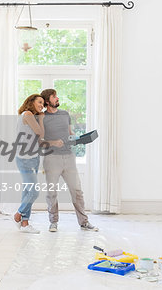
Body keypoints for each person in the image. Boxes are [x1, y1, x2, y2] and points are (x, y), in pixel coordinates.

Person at [40, 88, 98, 232]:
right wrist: (53, 142)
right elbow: (39, 140)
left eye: (56, 96)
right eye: (54, 97)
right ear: (47, 101)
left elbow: (70, 133)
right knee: (52, 192)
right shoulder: (41, 117)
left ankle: (84, 222)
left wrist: (79, 139)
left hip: (69, 157)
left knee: (77, 190)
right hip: (51, 158)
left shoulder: (65, 114)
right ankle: (53, 222)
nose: (57, 98)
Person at [13, 94, 50, 233]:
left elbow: (40, 137)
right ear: (31, 102)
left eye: (43, 103)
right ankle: (18, 215)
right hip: (25, 159)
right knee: (34, 192)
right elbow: (40, 133)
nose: (42, 105)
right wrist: (41, 118)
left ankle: (25, 224)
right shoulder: (27, 114)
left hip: (33, 157)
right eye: (39, 102)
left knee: (27, 190)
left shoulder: (30, 116)